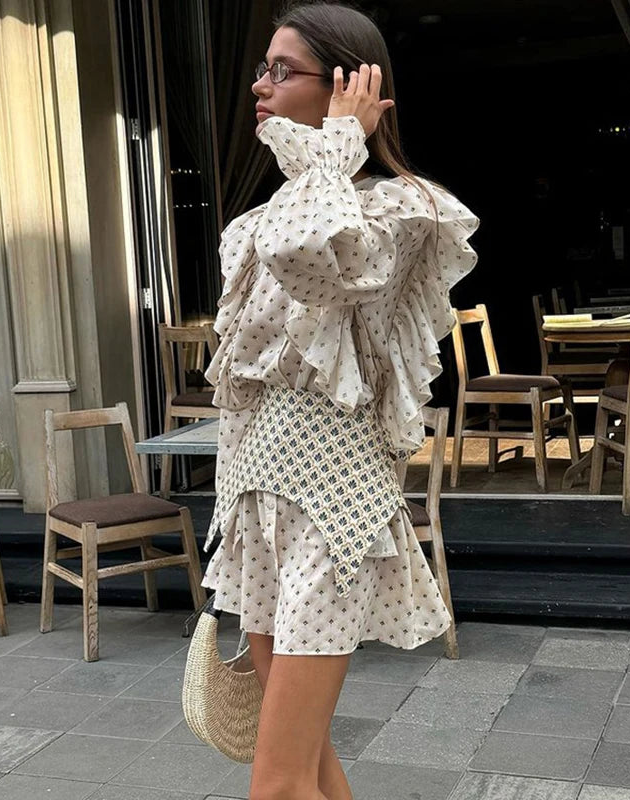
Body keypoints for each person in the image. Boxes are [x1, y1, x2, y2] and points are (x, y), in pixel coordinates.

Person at [200, 3, 478, 798]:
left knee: (276, 781)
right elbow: (239, 392)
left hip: (333, 508)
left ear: (352, 85)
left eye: (281, 70)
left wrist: (339, 148)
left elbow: (313, 259)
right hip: (260, 503)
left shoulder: (402, 208)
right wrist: (230, 511)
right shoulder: (255, 220)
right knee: (309, 767)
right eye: (261, 67)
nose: (259, 84)